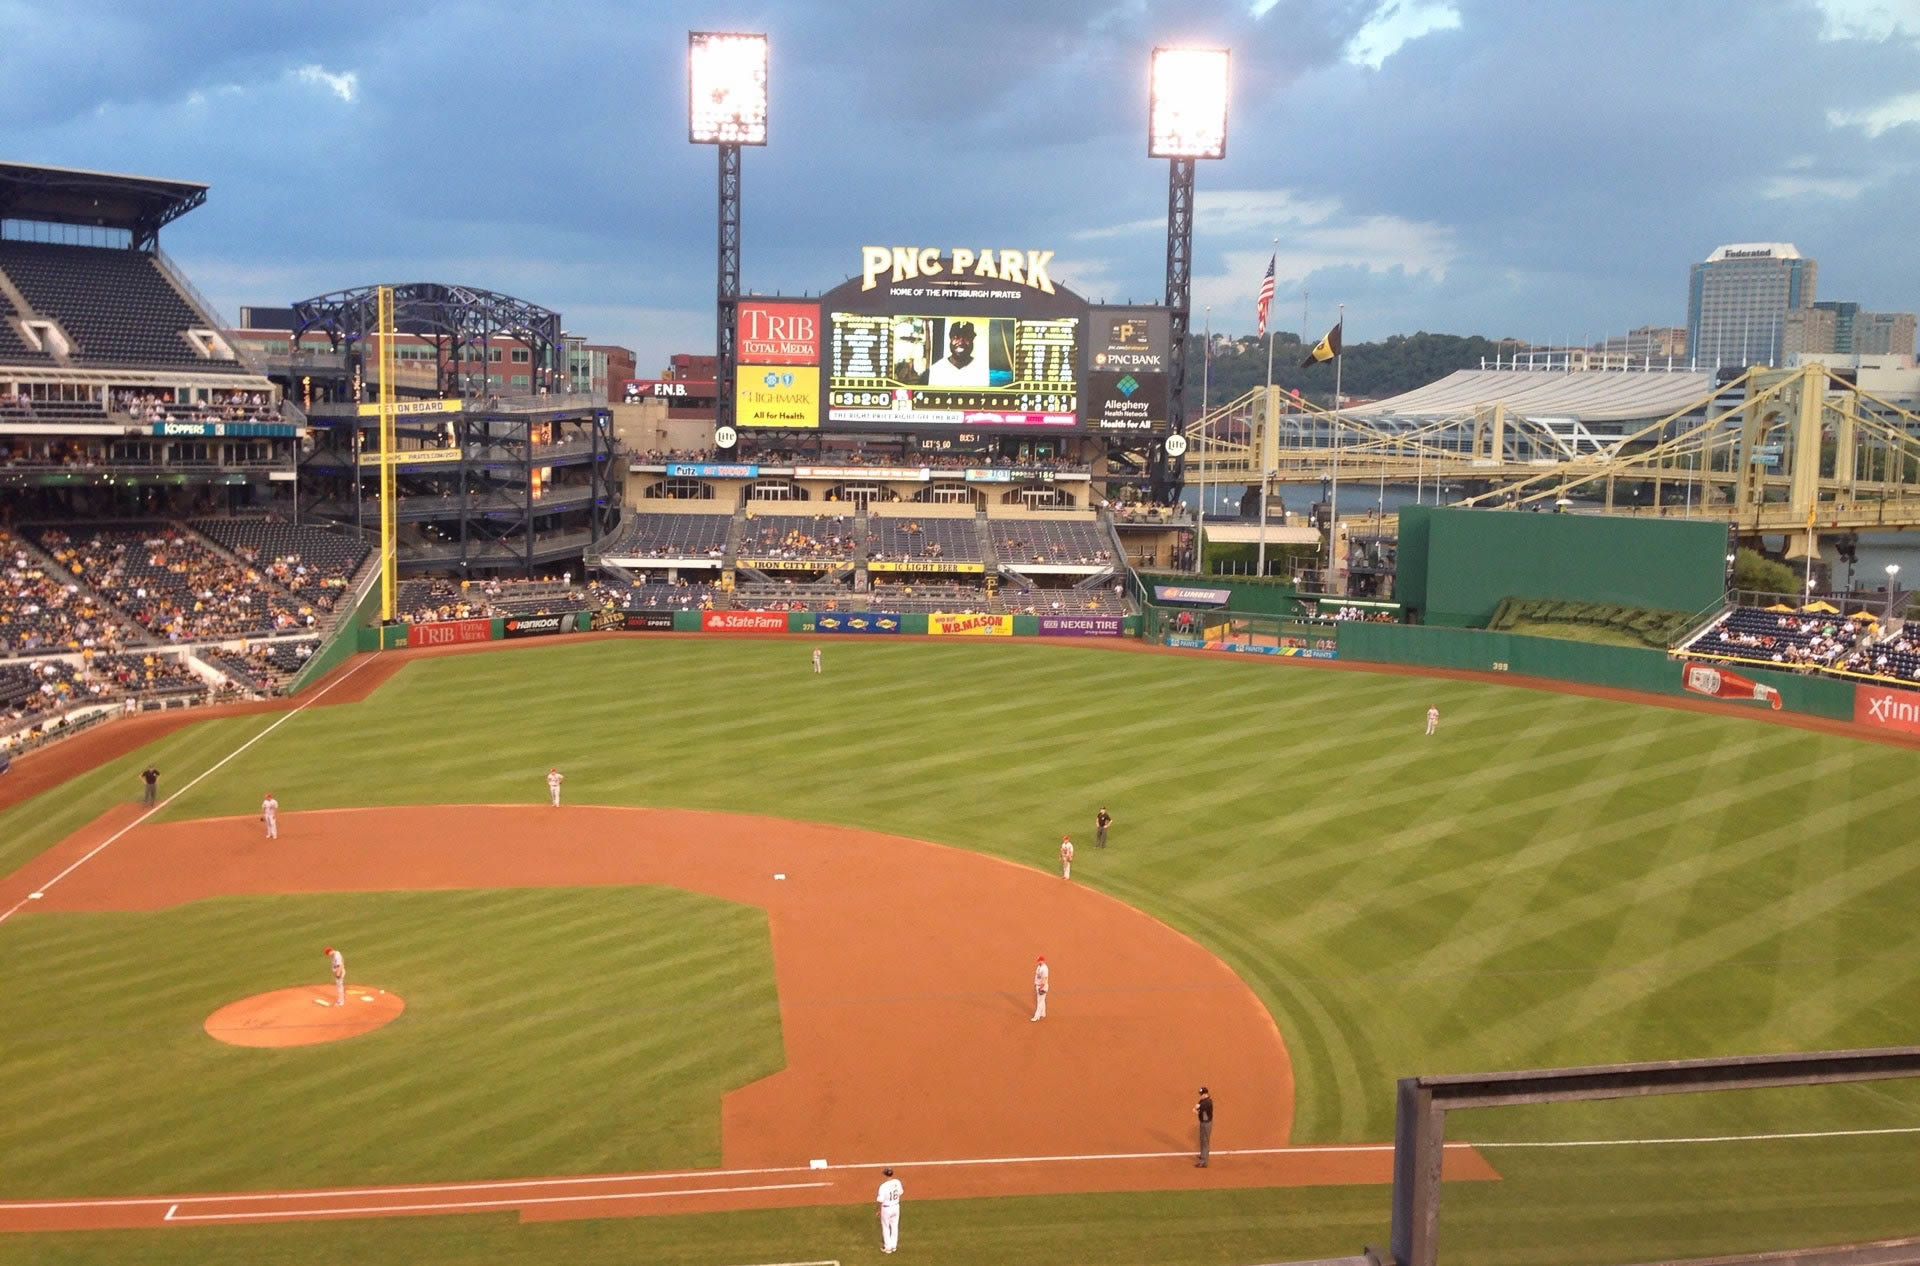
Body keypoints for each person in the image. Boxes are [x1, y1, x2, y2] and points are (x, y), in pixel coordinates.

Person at [926, 321, 990, 387]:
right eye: (956, 337)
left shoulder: (983, 370)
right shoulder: (936, 370)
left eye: (966, 337)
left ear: (972, 340)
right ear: (950, 339)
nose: (960, 342)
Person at [875, 1166, 903, 1254]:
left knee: (886, 1227)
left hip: (886, 1208)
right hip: (896, 1206)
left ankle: (888, 1247)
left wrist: (878, 1210)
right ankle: (894, 1246)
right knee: (895, 1226)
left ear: (885, 1175)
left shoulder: (883, 1186)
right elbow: (900, 1193)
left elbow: (880, 1200)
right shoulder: (897, 1182)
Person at [1195, 1086, 1214, 1166]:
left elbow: (1198, 1109)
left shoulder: (1207, 1103)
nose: (1200, 1095)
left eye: (1201, 1094)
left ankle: (1204, 1162)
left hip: (1206, 1124)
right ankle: (1203, 1155)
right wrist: (1197, 1108)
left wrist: (1197, 1109)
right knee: (1202, 1139)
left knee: (1205, 1141)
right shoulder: (1203, 1100)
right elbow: (1198, 1107)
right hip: (1203, 1122)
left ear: (1205, 1094)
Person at [1031, 954, 1049, 1021]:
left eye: (1039, 961)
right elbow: (1037, 976)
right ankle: (1043, 1013)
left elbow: (1044, 978)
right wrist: (1035, 984)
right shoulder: (1039, 966)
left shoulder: (1044, 969)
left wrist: (1041, 987)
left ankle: (1036, 1017)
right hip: (1038, 985)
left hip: (1042, 986)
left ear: (1042, 961)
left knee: (1040, 1002)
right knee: (1042, 1000)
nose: (1038, 962)